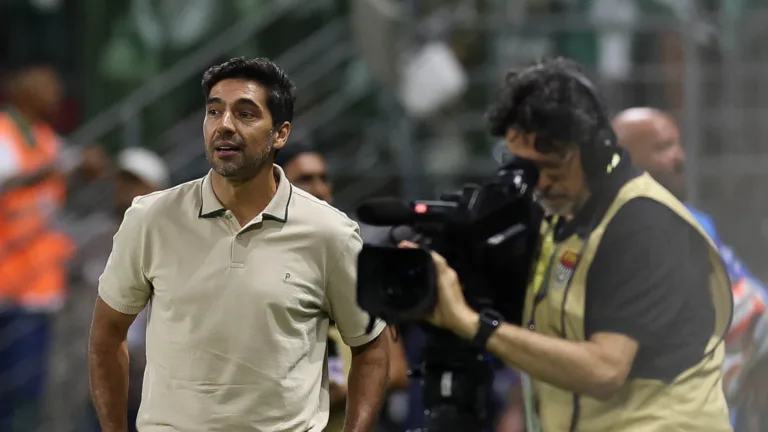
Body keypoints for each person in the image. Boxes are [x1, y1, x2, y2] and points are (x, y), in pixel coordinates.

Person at [402, 57, 733, 431]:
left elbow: (605, 369)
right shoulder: (562, 217)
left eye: (551, 167)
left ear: (595, 151)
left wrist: (471, 324)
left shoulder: (646, 225)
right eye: (525, 168)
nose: (538, 184)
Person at [88, 57, 390, 432]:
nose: (224, 125)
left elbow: (372, 347)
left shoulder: (331, 233)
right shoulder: (150, 218)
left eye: (245, 114)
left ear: (280, 134)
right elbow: (106, 333)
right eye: (214, 111)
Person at [611, 107, 768, 432]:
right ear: (622, 159)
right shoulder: (610, 238)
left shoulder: (695, 221)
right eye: (663, 147)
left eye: (677, 144)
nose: (679, 157)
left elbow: (751, 308)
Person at [275, 144, 410, 431]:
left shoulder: (358, 263)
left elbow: (397, 371)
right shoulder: (258, 265)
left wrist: (345, 393)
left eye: (324, 178)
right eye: (305, 180)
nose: (321, 189)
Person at [0, 64, 74, 431]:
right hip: (7, 284)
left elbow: (64, 176)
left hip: (37, 286)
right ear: (23, 90)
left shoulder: (47, 138)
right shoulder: (3, 133)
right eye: (48, 85)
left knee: (26, 390)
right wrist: (41, 174)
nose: (57, 93)